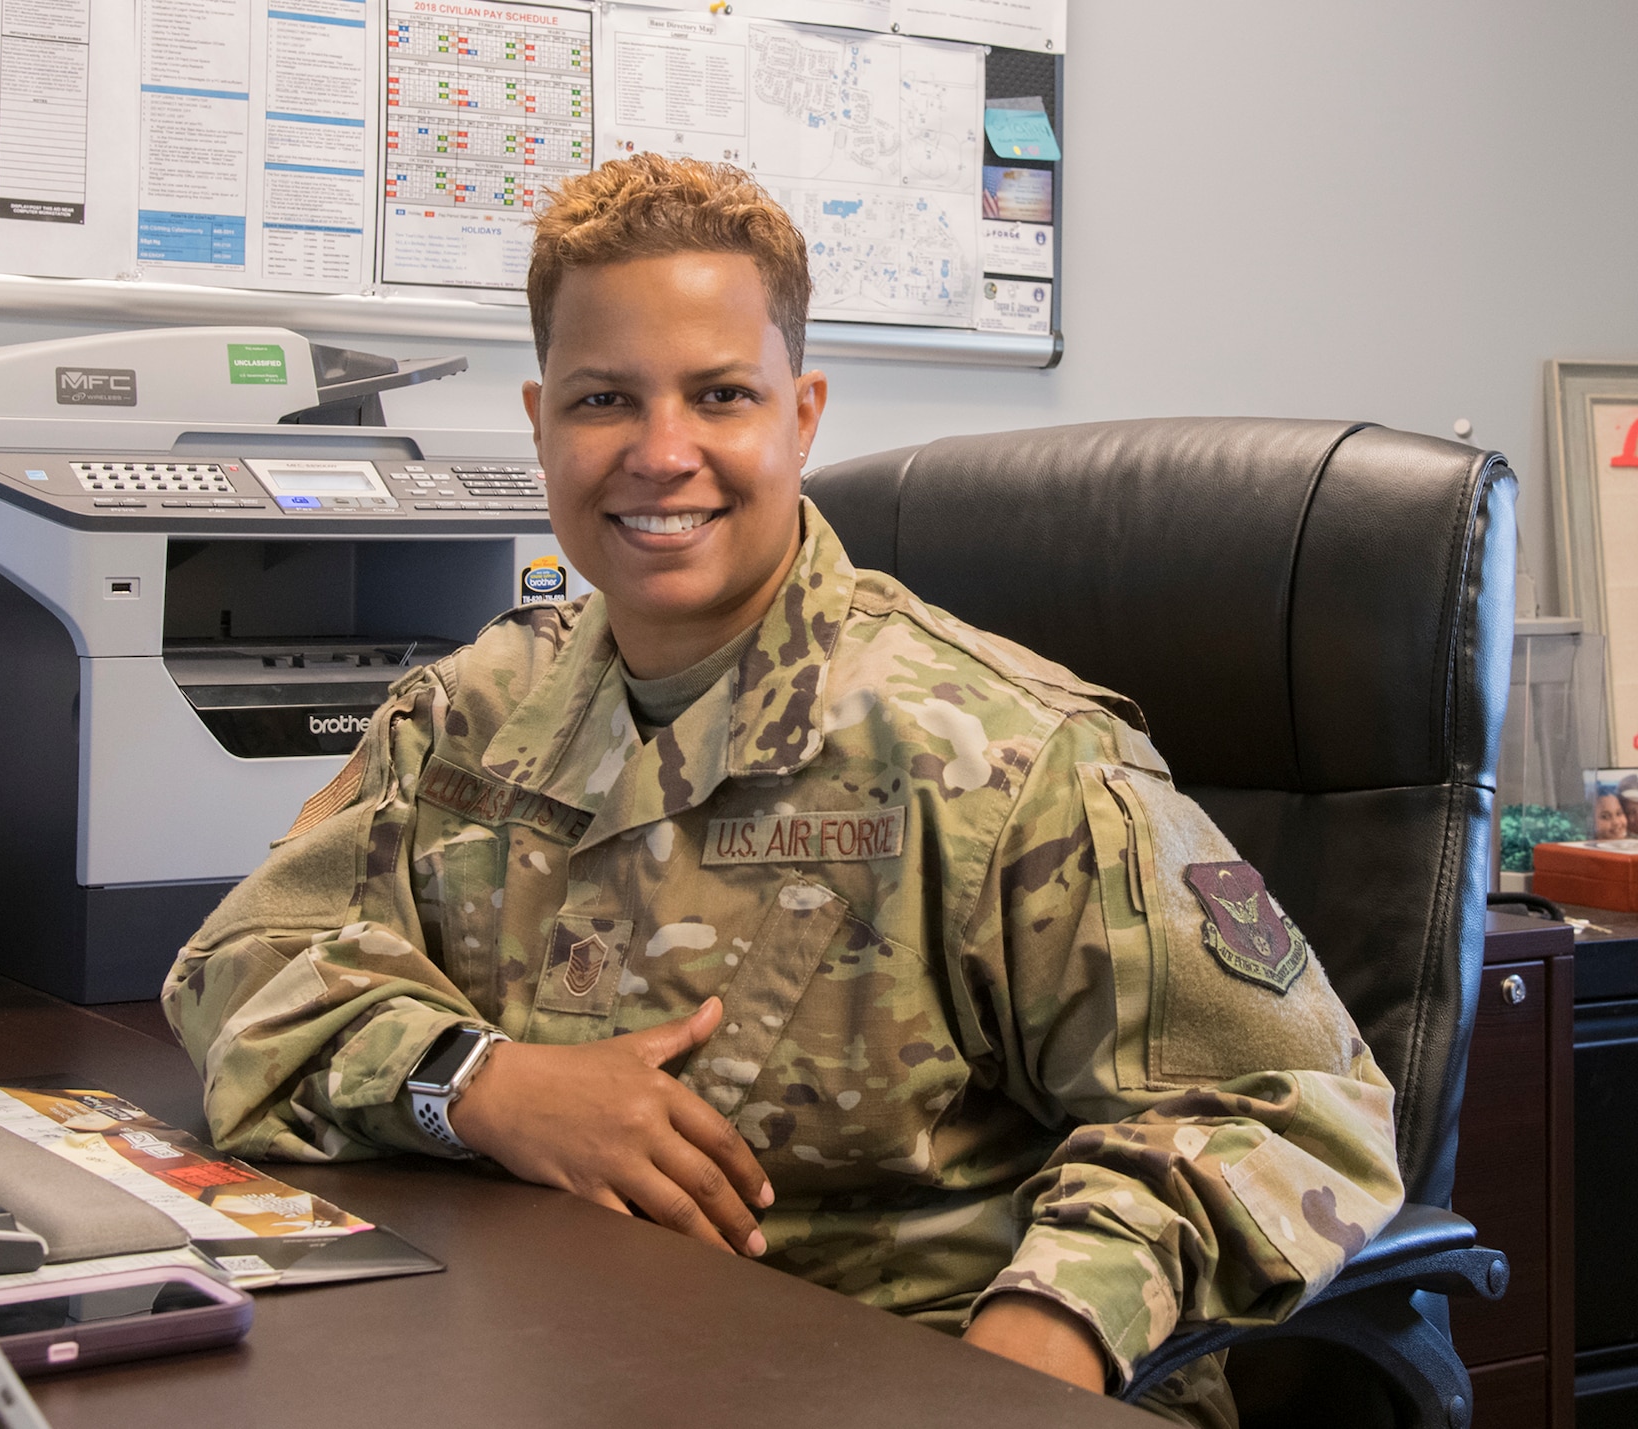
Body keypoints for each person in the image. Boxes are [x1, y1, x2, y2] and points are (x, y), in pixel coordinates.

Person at [162, 156, 1403, 1426]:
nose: (659, 454)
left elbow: (1292, 1109)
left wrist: (1048, 1328)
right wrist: (475, 1081)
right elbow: (241, 964)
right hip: (559, 1352)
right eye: (603, 399)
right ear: (540, 419)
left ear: (800, 415)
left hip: (904, 1375)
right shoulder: (469, 716)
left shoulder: (1000, 756)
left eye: (719, 395)